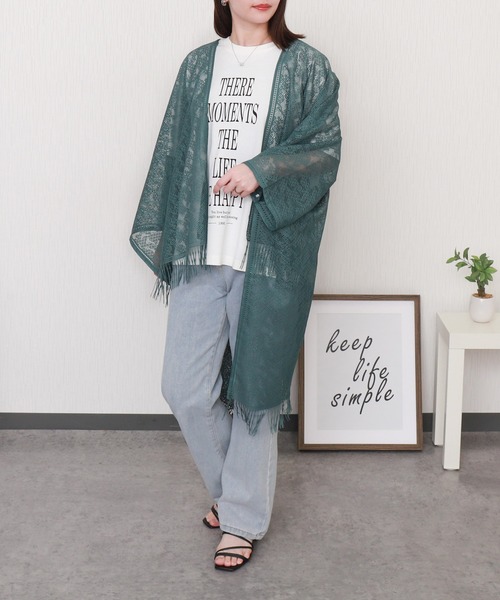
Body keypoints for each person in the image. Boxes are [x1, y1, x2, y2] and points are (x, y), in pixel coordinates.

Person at [130, 0, 341, 572]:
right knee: (184, 387)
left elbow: (323, 152)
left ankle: (241, 520)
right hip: (202, 250)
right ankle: (235, 496)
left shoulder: (307, 66)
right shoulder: (199, 65)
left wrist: (261, 170)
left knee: (255, 393)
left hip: (268, 258)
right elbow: (175, 149)